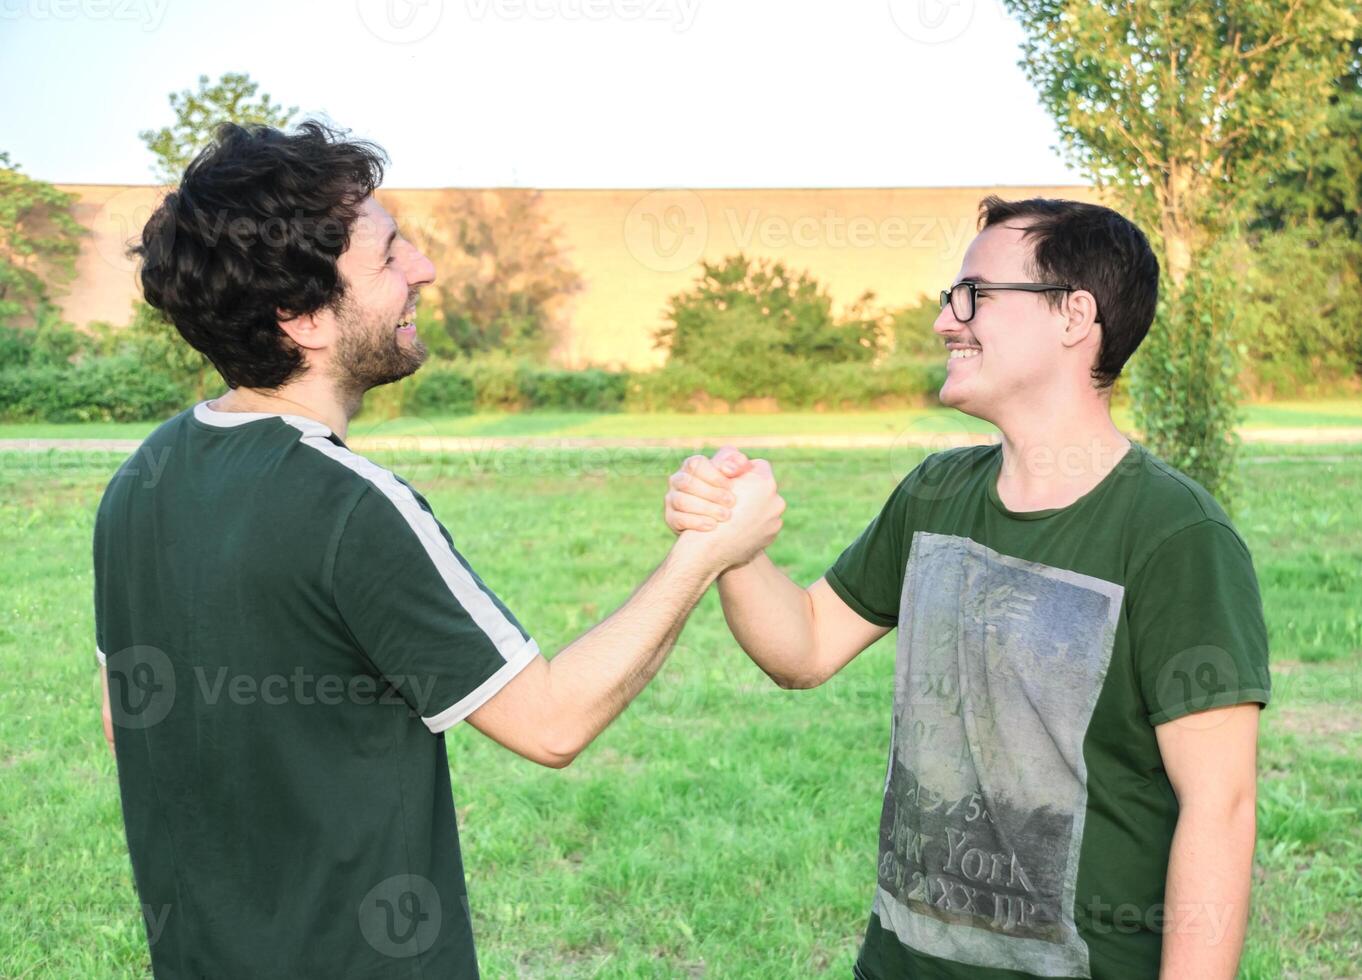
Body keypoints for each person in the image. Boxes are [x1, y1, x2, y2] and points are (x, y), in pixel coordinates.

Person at [94, 120, 784, 978]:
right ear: (303, 317)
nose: (423, 268)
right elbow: (551, 722)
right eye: (388, 258)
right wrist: (707, 551)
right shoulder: (351, 505)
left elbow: (128, 724)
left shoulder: (138, 481)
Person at [663, 197, 1271, 979]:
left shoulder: (1175, 536)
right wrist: (732, 547)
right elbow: (805, 645)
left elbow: (1219, 810)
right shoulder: (935, 495)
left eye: (974, 295)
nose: (948, 321)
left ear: (1072, 316)